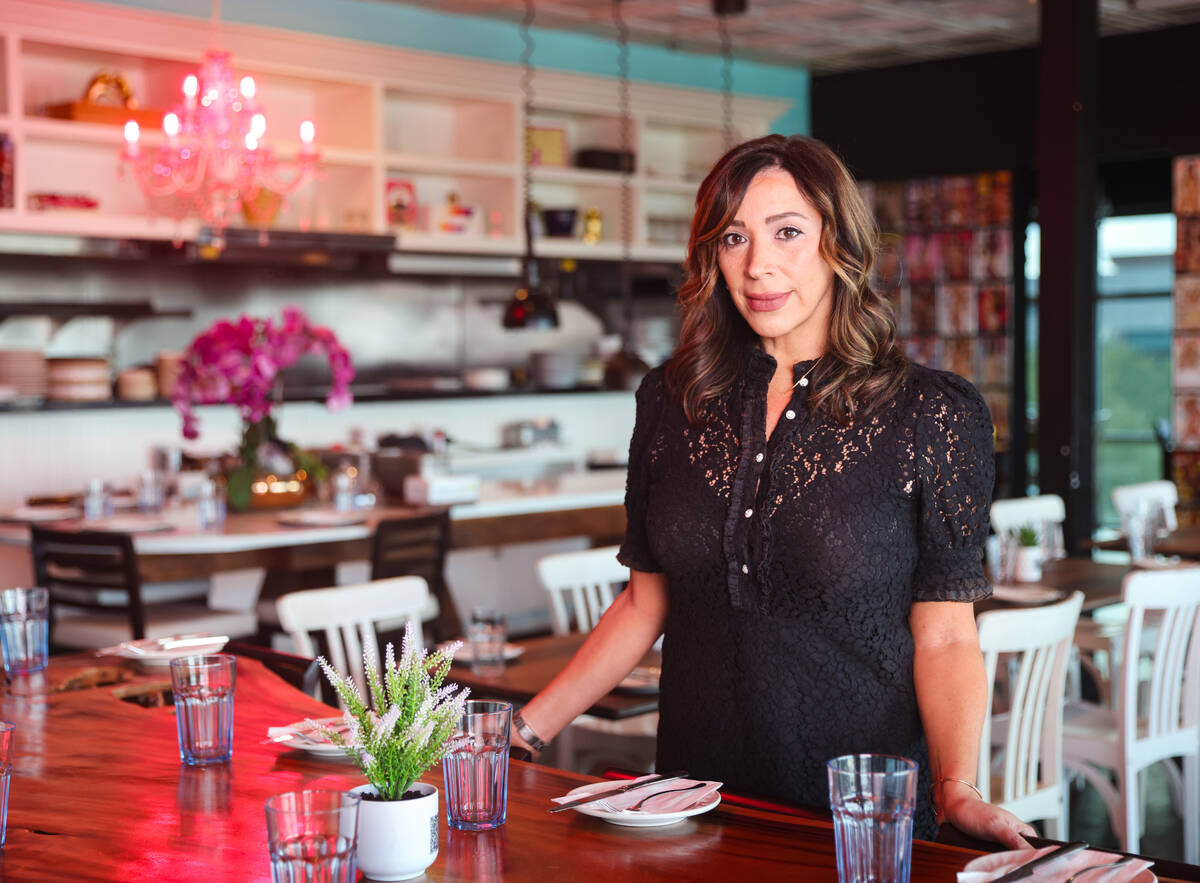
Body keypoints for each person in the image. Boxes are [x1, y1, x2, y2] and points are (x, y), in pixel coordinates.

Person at [512, 134, 1035, 848]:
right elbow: (644, 603)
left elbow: (943, 634)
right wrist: (521, 731)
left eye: (787, 231)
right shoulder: (670, 401)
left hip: (856, 823)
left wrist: (957, 789)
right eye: (734, 238)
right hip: (689, 813)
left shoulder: (932, 413)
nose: (758, 264)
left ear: (838, 242)